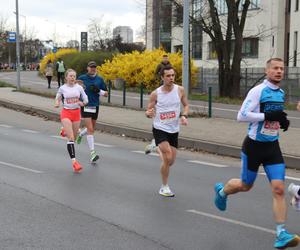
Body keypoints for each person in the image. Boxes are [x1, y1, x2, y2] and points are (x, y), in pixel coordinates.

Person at [213, 58, 299, 249]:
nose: (279, 71)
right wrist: (267, 116)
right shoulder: (258, 91)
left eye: (281, 69)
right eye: (275, 68)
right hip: (253, 146)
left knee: (279, 189)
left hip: (272, 147)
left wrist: (283, 120)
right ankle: (222, 191)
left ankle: (281, 233)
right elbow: (241, 115)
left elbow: (276, 114)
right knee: (245, 185)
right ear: (267, 71)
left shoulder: (281, 92)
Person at [145, 65, 189, 197]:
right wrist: (149, 113)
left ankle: (155, 146)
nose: (171, 78)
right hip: (160, 128)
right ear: (162, 77)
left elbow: (186, 105)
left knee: (171, 161)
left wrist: (184, 116)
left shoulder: (179, 90)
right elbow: (148, 111)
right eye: (168, 76)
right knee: (168, 156)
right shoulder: (156, 93)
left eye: (173, 75)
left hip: (174, 129)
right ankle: (164, 187)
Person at [55, 69, 88, 172]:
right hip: (66, 113)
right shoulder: (62, 88)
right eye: (71, 76)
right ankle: (74, 162)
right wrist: (57, 103)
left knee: (74, 137)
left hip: (76, 113)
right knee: (71, 138)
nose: (73, 78)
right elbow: (58, 98)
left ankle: (64, 131)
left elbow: (86, 99)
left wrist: (83, 103)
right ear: (66, 77)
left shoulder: (79, 88)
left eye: (74, 76)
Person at [75, 61, 108, 163]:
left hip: (95, 106)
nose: (93, 69)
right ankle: (93, 153)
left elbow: (106, 94)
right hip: (85, 106)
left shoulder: (100, 79)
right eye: (91, 67)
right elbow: (74, 88)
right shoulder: (82, 78)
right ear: (87, 68)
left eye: (94, 67)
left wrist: (99, 91)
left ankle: (80, 135)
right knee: (90, 128)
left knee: (92, 128)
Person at [144, 55, 173, 154]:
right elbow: (156, 73)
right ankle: (155, 144)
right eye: (164, 58)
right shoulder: (159, 65)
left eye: (167, 58)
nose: (165, 59)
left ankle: (155, 143)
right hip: (161, 87)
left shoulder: (170, 65)